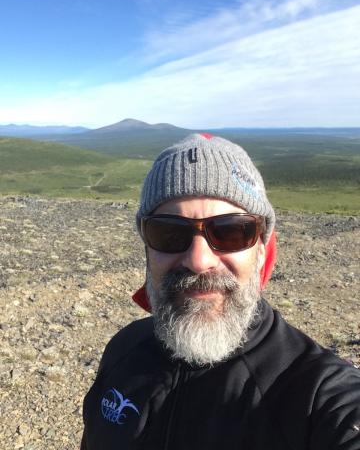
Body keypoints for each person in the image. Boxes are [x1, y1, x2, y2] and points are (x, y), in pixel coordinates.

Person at [81, 133, 360, 449]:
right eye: (169, 233)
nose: (199, 261)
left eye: (231, 231)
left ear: (262, 249)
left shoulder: (314, 393)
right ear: (147, 248)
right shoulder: (123, 350)